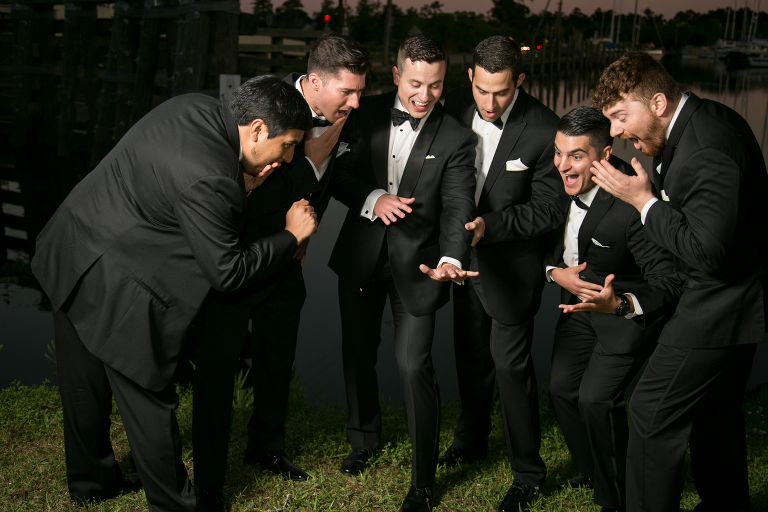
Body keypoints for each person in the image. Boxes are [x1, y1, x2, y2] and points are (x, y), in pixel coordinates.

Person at [30, 76, 317, 511]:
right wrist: (290, 236)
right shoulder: (212, 177)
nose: (290, 156)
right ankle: (175, 504)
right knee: (150, 402)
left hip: (73, 245)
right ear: (257, 129)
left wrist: (242, 181)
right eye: (288, 145)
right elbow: (227, 271)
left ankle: (92, 483)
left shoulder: (193, 107)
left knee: (83, 384)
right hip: (113, 278)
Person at [191, 34, 370, 510]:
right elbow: (236, 179)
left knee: (276, 361)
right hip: (237, 255)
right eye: (346, 93)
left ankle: (266, 447)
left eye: (359, 92)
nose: (355, 103)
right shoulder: (263, 105)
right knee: (218, 370)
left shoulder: (347, 119)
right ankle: (208, 480)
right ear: (313, 82)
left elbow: (337, 180)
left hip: (288, 264)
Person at [589, 52, 768, 512]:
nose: (614, 132)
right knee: (716, 416)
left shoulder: (707, 145)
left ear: (659, 102)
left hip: (719, 306)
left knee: (650, 414)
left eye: (620, 117)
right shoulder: (701, 122)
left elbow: (708, 253)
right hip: (735, 305)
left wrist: (643, 202)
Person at [328, 35, 477, 512]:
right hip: (360, 256)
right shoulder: (362, 112)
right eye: (415, 83)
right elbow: (336, 173)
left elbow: (458, 207)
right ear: (396, 76)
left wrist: (453, 258)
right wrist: (374, 200)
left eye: (435, 85)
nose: (424, 95)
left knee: (415, 367)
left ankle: (423, 481)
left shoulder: (456, 137)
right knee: (357, 352)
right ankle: (363, 441)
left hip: (420, 268)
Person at [439, 36, 566, 512]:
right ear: (469, 77)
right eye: (482, 90)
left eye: (503, 93)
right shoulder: (451, 108)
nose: (490, 104)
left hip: (511, 270)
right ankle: (470, 442)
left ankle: (528, 473)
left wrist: (490, 226)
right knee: (469, 357)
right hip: (462, 263)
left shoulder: (544, 128)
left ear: (520, 82)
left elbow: (549, 208)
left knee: (512, 369)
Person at [545, 106, 682, 512]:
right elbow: (540, 234)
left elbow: (668, 281)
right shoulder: (561, 179)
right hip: (580, 304)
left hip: (623, 312)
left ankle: (616, 496)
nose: (563, 167)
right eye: (558, 152)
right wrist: (555, 273)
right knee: (561, 389)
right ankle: (592, 467)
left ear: (604, 157)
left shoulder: (632, 202)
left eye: (576, 156)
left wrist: (620, 304)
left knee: (596, 400)